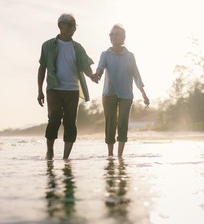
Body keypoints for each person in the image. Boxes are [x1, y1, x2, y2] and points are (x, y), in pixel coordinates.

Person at [37, 13, 98, 160]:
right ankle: (50, 151)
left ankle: (65, 157)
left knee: (70, 123)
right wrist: (39, 91)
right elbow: (42, 68)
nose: (73, 29)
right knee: (54, 120)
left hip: (72, 90)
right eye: (71, 25)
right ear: (61, 26)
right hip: (54, 88)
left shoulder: (77, 48)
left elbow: (85, 67)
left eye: (75, 26)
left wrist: (92, 76)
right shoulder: (48, 45)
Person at [93, 24, 150, 157]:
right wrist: (97, 75)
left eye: (116, 34)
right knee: (110, 123)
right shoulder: (105, 54)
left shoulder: (130, 56)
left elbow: (136, 75)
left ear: (123, 37)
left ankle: (120, 156)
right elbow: (100, 67)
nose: (113, 37)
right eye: (111, 34)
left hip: (126, 94)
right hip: (109, 93)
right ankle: (110, 155)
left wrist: (144, 94)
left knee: (123, 122)